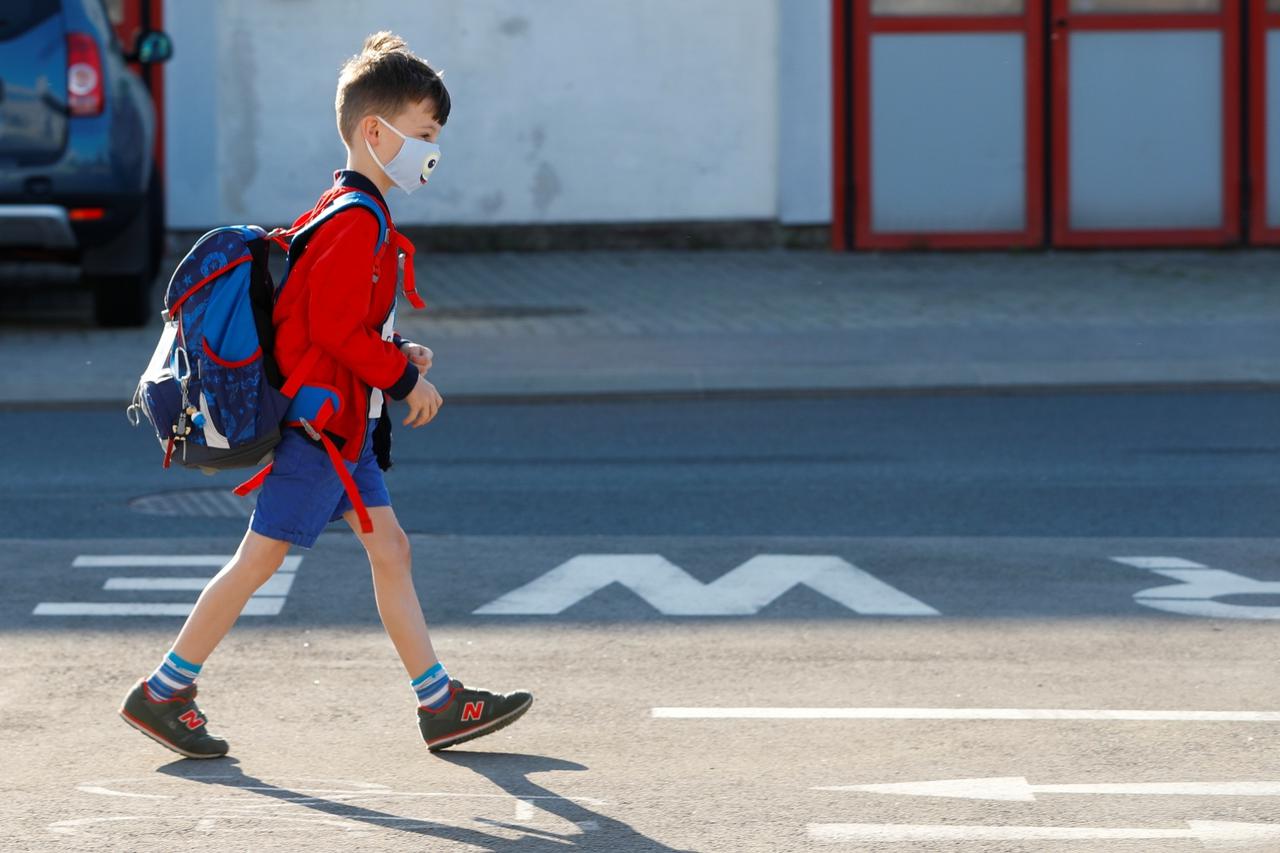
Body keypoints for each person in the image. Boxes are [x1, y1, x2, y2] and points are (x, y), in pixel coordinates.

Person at [118, 32, 532, 758]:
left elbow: (325, 324)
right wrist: (405, 380)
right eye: (425, 134)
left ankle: (439, 702)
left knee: (389, 550)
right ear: (375, 131)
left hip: (340, 430)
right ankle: (164, 688)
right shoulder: (356, 220)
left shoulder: (344, 208)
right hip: (323, 436)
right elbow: (336, 329)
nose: (433, 150)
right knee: (259, 560)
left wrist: (397, 352)